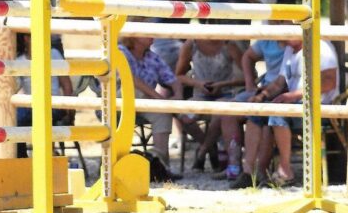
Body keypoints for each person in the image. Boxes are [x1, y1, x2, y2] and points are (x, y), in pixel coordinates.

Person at [248, 39, 339, 186]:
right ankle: (252, 171)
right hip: (297, 103)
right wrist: (262, 96)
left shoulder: (322, 47)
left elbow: (329, 82)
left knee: (277, 114)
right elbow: (279, 82)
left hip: (318, 106)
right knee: (257, 113)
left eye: (284, 25)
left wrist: (293, 95)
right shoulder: (290, 50)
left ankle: (285, 170)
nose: (281, 34)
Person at [221, 36, 286, 186]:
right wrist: (252, 86)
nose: (276, 22)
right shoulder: (273, 40)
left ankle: (257, 171)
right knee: (230, 111)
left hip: (281, 93)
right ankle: (237, 167)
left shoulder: (293, 47)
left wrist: (262, 95)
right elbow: (248, 57)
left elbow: (282, 83)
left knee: (263, 117)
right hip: (268, 89)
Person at [176, 36, 243, 172]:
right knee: (183, 114)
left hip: (225, 94)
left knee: (221, 110)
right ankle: (210, 146)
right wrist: (198, 84)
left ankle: (201, 152)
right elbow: (179, 75)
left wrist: (223, 84)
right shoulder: (191, 44)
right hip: (200, 95)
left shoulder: (229, 44)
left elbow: (247, 77)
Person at [119, 35, 182, 170]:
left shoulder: (152, 56)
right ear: (133, 36)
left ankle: (161, 166)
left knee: (163, 114)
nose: (151, 35)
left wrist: (178, 95)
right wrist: (159, 99)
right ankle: (117, 166)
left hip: (146, 101)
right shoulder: (120, 52)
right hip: (118, 102)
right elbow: (131, 79)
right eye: (146, 32)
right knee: (137, 94)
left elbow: (172, 78)